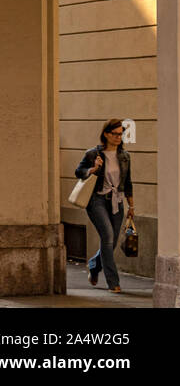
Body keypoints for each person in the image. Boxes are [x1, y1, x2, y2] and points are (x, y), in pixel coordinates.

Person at [74, 118, 135, 292]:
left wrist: (131, 206)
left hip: (117, 201)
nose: (118, 137)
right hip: (97, 200)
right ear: (106, 134)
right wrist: (93, 169)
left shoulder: (125, 156)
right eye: (115, 134)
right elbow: (78, 172)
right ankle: (113, 282)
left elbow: (128, 182)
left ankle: (94, 265)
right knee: (107, 237)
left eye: (120, 134)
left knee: (112, 242)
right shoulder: (93, 154)